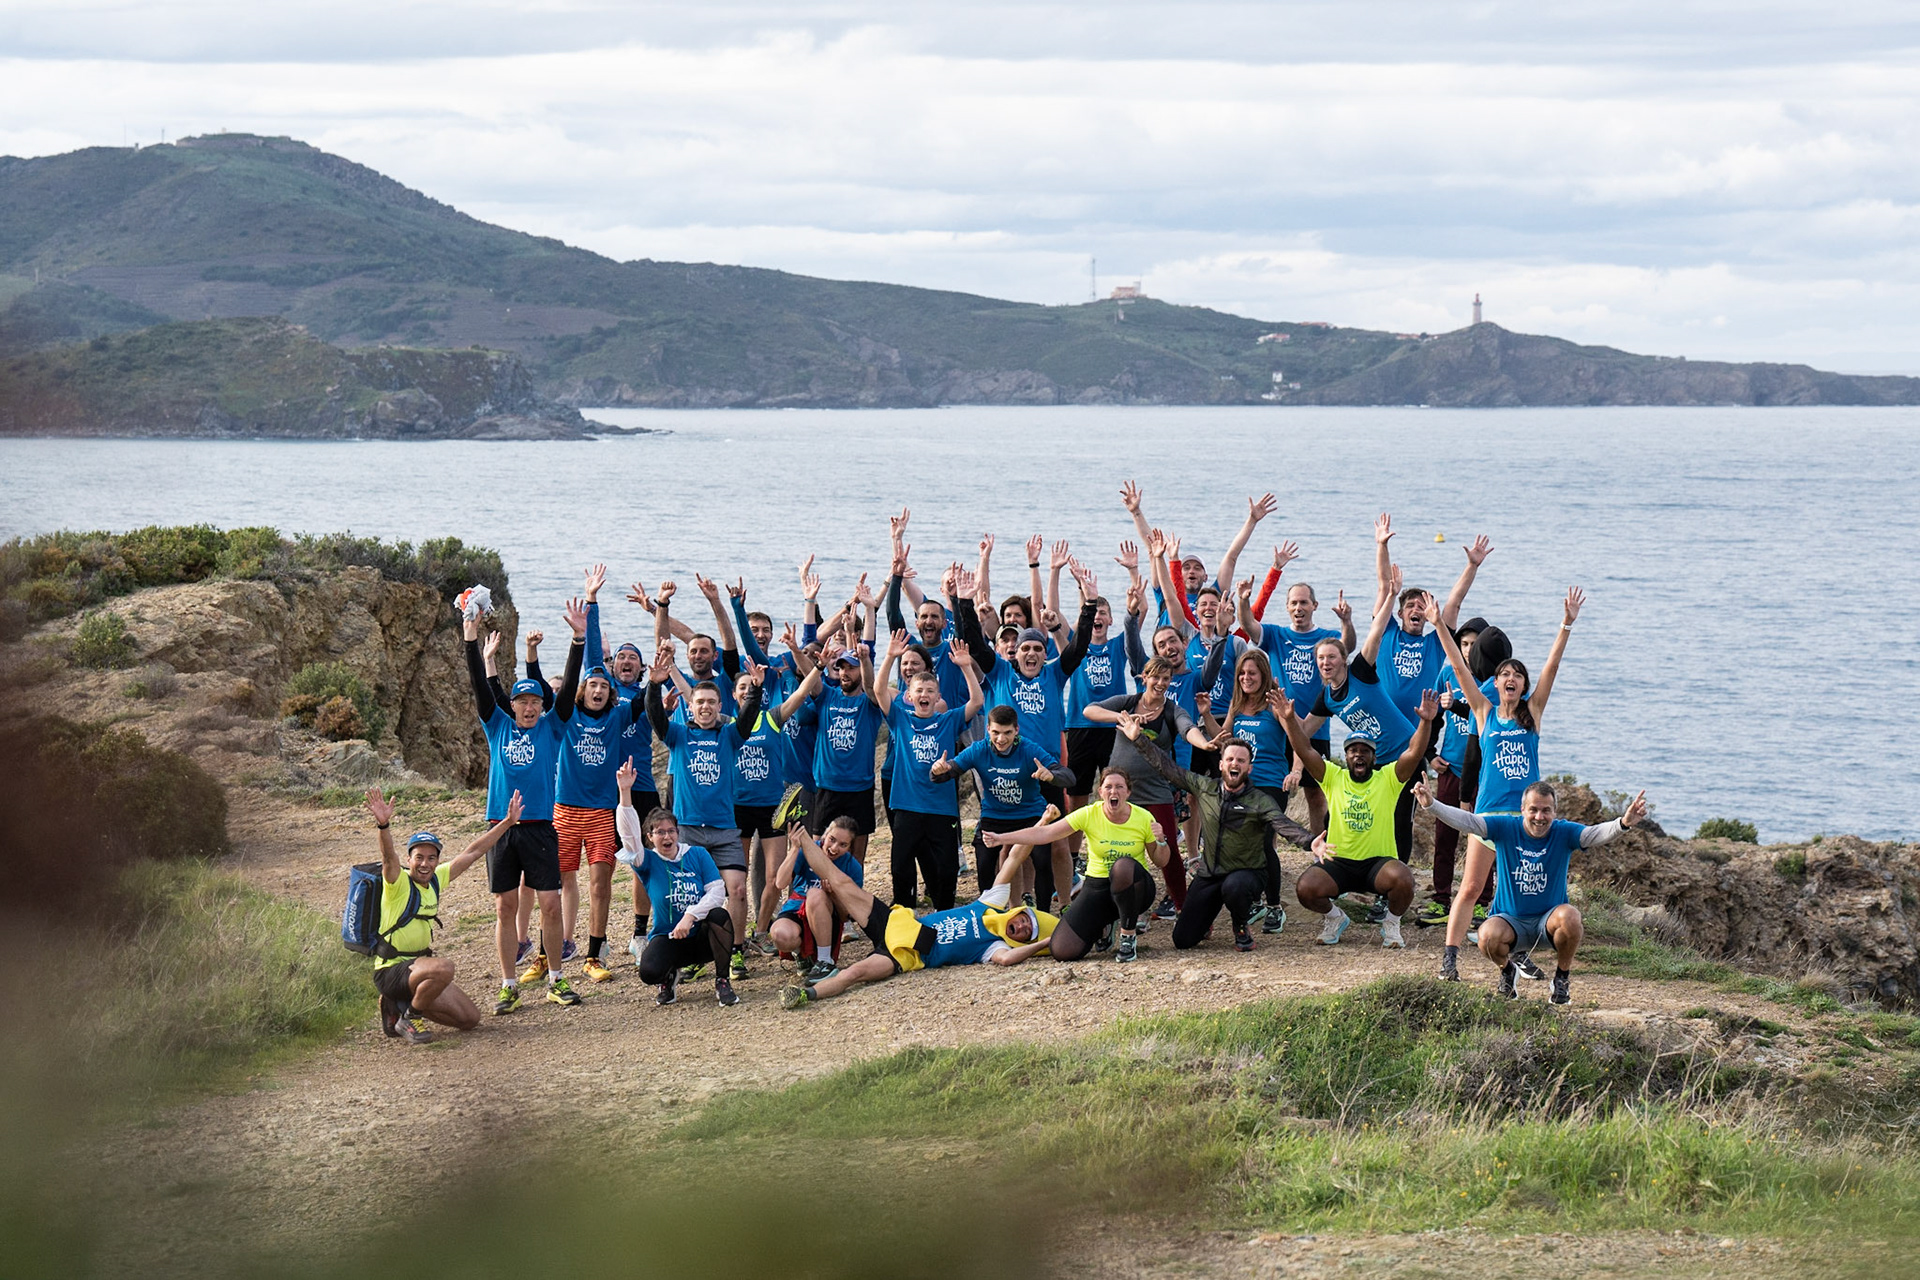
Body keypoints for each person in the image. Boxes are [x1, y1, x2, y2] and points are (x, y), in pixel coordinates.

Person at [1429, 584, 1584, 981]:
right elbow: (1459, 666)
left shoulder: (1532, 712)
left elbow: (1551, 668)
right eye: (1504, 674)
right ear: (1495, 683)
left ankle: (1519, 954)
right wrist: (1438, 626)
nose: (1510, 678)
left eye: (1517, 675)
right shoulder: (1482, 712)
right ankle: (1449, 958)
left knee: (1519, 895)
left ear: (1523, 684)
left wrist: (1566, 623)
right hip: (1489, 816)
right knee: (1470, 887)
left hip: (1525, 821)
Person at [778, 810, 1062, 1009]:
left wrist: (1047, 943)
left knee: (854, 974)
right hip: (893, 922)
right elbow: (1015, 857)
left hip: (904, 956)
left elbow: (1008, 959)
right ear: (1019, 912)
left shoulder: (994, 946)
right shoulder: (990, 905)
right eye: (1027, 920)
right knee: (839, 881)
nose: (1023, 927)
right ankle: (799, 832)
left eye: (1028, 934)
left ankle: (804, 995)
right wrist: (1045, 820)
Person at [1418, 779, 1648, 1002]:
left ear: (1555, 811)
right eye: (1533, 810)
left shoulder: (1563, 832)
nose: (1540, 817)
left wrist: (1623, 823)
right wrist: (1431, 804)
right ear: (1522, 809)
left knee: (1571, 916)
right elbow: (1468, 821)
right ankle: (1508, 971)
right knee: (1486, 937)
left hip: (1547, 923)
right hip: (1510, 921)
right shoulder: (1505, 827)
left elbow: (1594, 834)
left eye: (1546, 810)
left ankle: (1561, 979)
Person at [954, 559, 1097, 914]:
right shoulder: (1000, 671)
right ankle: (1003, 907)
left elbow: (1078, 648)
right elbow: (972, 641)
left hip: (1045, 770)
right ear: (1014, 654)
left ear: (1044, 653)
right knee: (1004, 845)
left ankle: (1053, 910)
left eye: (1037, 648)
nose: (1031, 653)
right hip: (1002, 769)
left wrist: (1089, 605)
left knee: (1049, 847)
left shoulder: (1054, 675)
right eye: (1024, 649)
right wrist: (964, 603)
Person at [463, 609, 583, 1013]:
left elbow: (565, 697)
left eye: (535, 701)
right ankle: (508, 984)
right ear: (511, 705)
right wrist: (471, 641)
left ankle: (555, 978)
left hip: (539, 829)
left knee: (550, 904)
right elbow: (481, 686)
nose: (529, 707)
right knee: (505, 907)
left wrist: (577, 640)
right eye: (522, 701)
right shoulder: (496, 726)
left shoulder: (553, 727)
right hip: (501, 828)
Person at [1116, 721, 1313, 952]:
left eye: (1241, 760)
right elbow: (1167, 767)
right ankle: (1205, 918)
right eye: (1230, 759)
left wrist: (1310, 841)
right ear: (1221, 765)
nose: (1234, 764)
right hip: (1209, 875)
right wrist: (1139, 739)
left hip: (1247, 873)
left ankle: (1240, 925)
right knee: (1183, 940)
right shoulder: (1205, 787)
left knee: (1235, 886)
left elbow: (1285, 825)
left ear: (1249, 768)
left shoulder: (1260, 800)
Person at [1277, 688, 1439, 948]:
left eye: (1365, 750)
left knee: (1404, 879)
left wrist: (1426, 721)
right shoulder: (1333, 777)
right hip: (1340, 863)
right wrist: (1288, 720)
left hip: (1377, 865)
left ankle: (1391, 923)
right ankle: (1335, 918)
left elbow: (1413, 753)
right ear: (1347, 756)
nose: (1358, 754)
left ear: (1374, 757)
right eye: (1353, 750)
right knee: (1306, 888)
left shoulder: (1387, 778)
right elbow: (1305, 749)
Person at [645, 643, 766, 982]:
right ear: (691, 706)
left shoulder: (729, 736)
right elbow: (656, 717)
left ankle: (737, 950)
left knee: (737, 890)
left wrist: (755, 691)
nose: (706, 707)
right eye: (700, 702)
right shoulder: (679, 735)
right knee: (689, 894)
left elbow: (747, 719)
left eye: (712, 702)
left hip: (724, 829)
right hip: (688, 830)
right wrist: (654, 684)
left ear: (720, 706)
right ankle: (690, 952)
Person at [363, 786, 518, 1043]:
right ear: (410, 859)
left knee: (470, 1019)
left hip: (418, 969)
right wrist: (383, 825)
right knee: (444, 968)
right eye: (419, 858)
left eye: (431, 858)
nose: (425, 864)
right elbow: (388, 856)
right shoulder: (397, 881)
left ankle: (399, 1006)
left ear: (437, 861)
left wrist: (507, 823)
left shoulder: (436, 879)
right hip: (391, 970)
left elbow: (473, 851)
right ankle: (410, 1018)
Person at [980, 770, 1167, 962]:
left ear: (1128, 792)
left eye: (1120, 787)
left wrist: (1161, 841)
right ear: (1100, 791)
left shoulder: (1143, 817)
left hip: (1135, 889)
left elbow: (1161, 861)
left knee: (1122, 867)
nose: (1114, 791)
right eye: (1108, 787)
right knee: (1063, 951)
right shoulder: (1089, 813)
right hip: (1098, 887)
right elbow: (1046, 834)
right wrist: (1001, 838)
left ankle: (1127, 936)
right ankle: (1103, 926)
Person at [1081, 656, 1216, 916]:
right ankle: (1124, 909)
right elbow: (1090, 710)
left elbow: (1188, 729)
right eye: (1156, 677)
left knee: (1169, 852)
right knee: (1118, 849)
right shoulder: (1127, 702)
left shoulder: (1171, 710)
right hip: (1118, 793)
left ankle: (1184, 908)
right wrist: (1122, 718)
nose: (1161, 683)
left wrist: (1204, 744)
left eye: (1166, 678)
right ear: (1144, 677)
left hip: (1155, 791)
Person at [1236, 556, 1355, 835]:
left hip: (1316, 727)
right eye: (1294, 603)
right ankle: (1267, 841)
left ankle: (1317, 844)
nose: (1298, 608)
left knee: (1315, 794)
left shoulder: (1325, 635)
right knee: (1276, 787)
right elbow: (1250, 626)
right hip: (1280, 728)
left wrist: (1347, 621)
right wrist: (1243, 601)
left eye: (1304, 602)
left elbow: (1347, 647)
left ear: (1314, 606)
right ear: (1287, 607)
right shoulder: (1276, 635)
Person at [614, 762, 740, 1006]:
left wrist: (690, 916)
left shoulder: (697, 854)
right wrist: (625, 792)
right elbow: (628, 835)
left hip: (701, 934)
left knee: (720, 916)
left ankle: (722, 981)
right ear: (649, 837)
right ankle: (669, 975)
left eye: (671, 831)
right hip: (669, 936)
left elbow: (717, 892)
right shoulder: (646, 860)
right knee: (649, 971)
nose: (667, 836)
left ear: (678, 833)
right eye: (659, 832)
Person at [875, 630, 984, 909]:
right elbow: (878, 691)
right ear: (909, 696)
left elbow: (977, 702)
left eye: (930, 692)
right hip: (907, 805)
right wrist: (889, 656)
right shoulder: (900, 718)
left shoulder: (948, 720)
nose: (924, 695)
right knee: (900, 867)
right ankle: (904, 915)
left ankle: (943, 912)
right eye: (919, 691)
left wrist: (965, 667)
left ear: (938, 697)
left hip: (941, 808)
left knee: (946, 869)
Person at [1194, 639, 1295, 930]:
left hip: (1272, 783)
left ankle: (1274, 906)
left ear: (1264, 675)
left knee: (1264, 844)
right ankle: (1253, 901)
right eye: (1242, 673)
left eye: (1252, 673)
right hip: (1243, 785)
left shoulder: (1274, 706)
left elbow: (1298, 740)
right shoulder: (1237, 707)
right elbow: (1223, 740)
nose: (1246, 678)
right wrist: (1205, 715)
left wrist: (1296, 771)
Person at [933, 704, 1075, 890]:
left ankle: (1043, 912)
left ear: (1016, 729)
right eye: (996, 732)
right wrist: (938, 771)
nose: (1001, 739)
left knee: (1042, 860)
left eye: (1007, 732)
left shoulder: (1029, 749)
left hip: (1030, 814)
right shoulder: (979, 750)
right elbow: (945, 774)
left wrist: (1052, 775)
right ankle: (988, 912)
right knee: (984, 862)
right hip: (995, 816)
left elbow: (1070, 778)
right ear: (988, 730)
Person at [767, 814, 865, 980]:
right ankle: (802, 956)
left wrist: (833, 895)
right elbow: (780, 883)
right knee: (779, 934)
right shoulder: (809, 849)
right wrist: (795, 848)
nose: (834, 848)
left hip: (827, 917)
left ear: (850, 848)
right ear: (825, 835)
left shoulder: (851, 866)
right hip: (797, 907)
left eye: (843, 845)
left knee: (815, 894)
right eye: (832, 839)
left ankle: (825, 961)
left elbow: (846, 916)